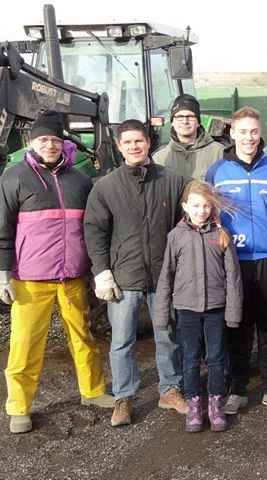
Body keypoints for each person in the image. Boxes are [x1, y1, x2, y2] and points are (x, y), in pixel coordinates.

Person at [0, 111, 114, 434]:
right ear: (31, 142)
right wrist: (2, 272)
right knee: (24, 344)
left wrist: (96, 271)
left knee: (84, 337)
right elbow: (2, 229)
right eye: (43, 139)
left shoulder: (79, 181)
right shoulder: (14, 177)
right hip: (30, 280)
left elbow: (91, 229)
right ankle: (19, 407)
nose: (50, 145)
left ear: (64, 142)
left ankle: (93, 391)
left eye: (55, 139)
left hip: (73, 277)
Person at [84, 119, 188, 427]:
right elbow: (94, 231)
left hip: (162, 275)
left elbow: (190, 221)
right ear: (119, 147)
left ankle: (170, 390)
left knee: (167, 334)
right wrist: (102, 271)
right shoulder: (105, 187)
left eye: (138, 141)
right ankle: (124, 397)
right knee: (122, 340)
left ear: (148, 143)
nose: (134, 146)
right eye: (127, 142)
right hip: (124, 275)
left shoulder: (172, 180)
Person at [205, 107, 267, 415]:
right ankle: (237, 388)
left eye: (254, 131)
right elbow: (207, 213)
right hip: (234, 261)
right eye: (243, 131)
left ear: (260, 133)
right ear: (232, 134)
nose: (249, 137)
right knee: (237, 326)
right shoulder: (217, 171)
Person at [154, 180, 242, 432]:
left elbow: (233, 277)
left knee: (215, 359)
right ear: (185, 207)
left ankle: (215, 403)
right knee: (190, 359)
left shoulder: (222, 236)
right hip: (187, 309)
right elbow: (166, 277)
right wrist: (161, 315)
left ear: (212, 207)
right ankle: (194, 405)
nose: (201, 210)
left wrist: (233, 312)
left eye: (206, 205)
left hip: (216, 308)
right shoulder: (176, 237)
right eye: (195, 205)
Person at [153, 94, 224, 180]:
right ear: (172, 122)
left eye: (190, 116)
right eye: (179, 117)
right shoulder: (159, 158)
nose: (185, 121)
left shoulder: (218, 153)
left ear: (198, 122)